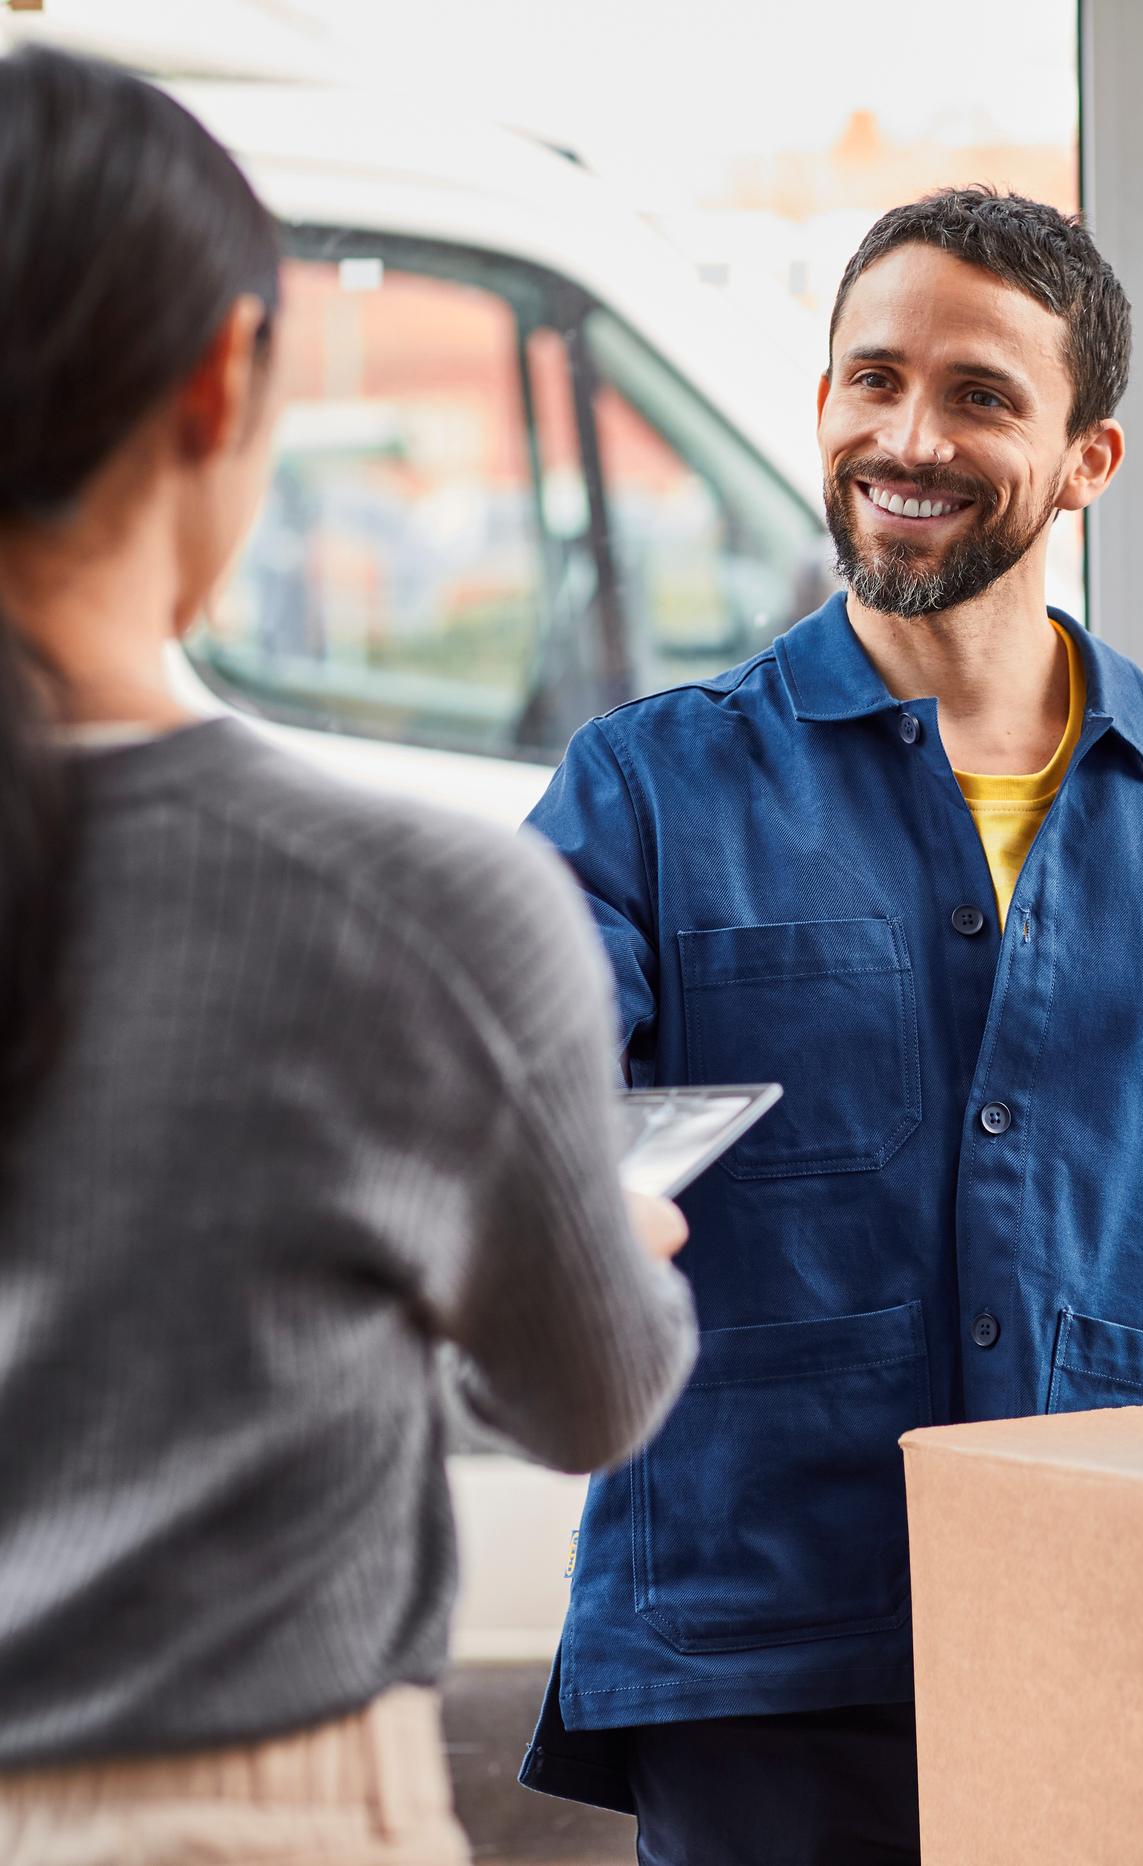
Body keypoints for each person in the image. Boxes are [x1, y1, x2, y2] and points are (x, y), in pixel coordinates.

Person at [519, 188, 1143, 1863]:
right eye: (870, 378)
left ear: (1086, 459)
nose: (909, 434)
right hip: (766, 1643)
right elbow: (511, 1103)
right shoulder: (646, 788)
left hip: (1141, 1613)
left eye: (980, 394)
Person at [0, 46, 695, 1866]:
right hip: (239, 1812)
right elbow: (589, 1394)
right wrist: (604, 1240)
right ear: (223, 383)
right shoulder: (424, 909)